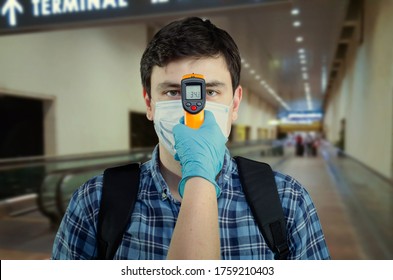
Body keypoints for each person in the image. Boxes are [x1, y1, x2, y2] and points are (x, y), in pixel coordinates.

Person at [51, 17, 330, 260]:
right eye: (173, 92)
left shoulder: (287, 201)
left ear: (234, 104)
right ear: (149, 103)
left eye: (210, 92)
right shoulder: (94, 202)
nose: (191, 109)